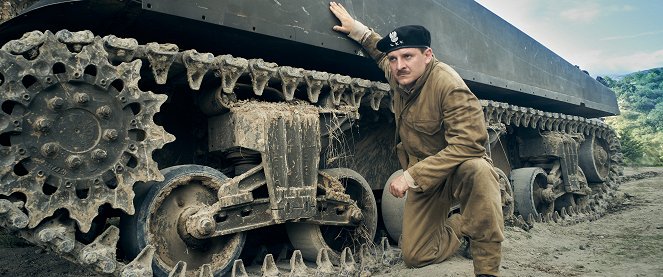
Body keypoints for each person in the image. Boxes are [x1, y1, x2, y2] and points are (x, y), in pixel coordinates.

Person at [329, 2, 504, 276]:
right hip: (428, 175)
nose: (400, 65)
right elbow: (379, 51)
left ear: (428, 55)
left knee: (478, 169)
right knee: (415, 255)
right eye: (395, 59)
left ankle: (487, 269)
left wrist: (411, 176)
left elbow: (469, 144)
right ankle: (461, 225)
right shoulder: (400, 74)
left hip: (456, 168)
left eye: (408, 56)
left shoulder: (449, 86)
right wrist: (359, 31)